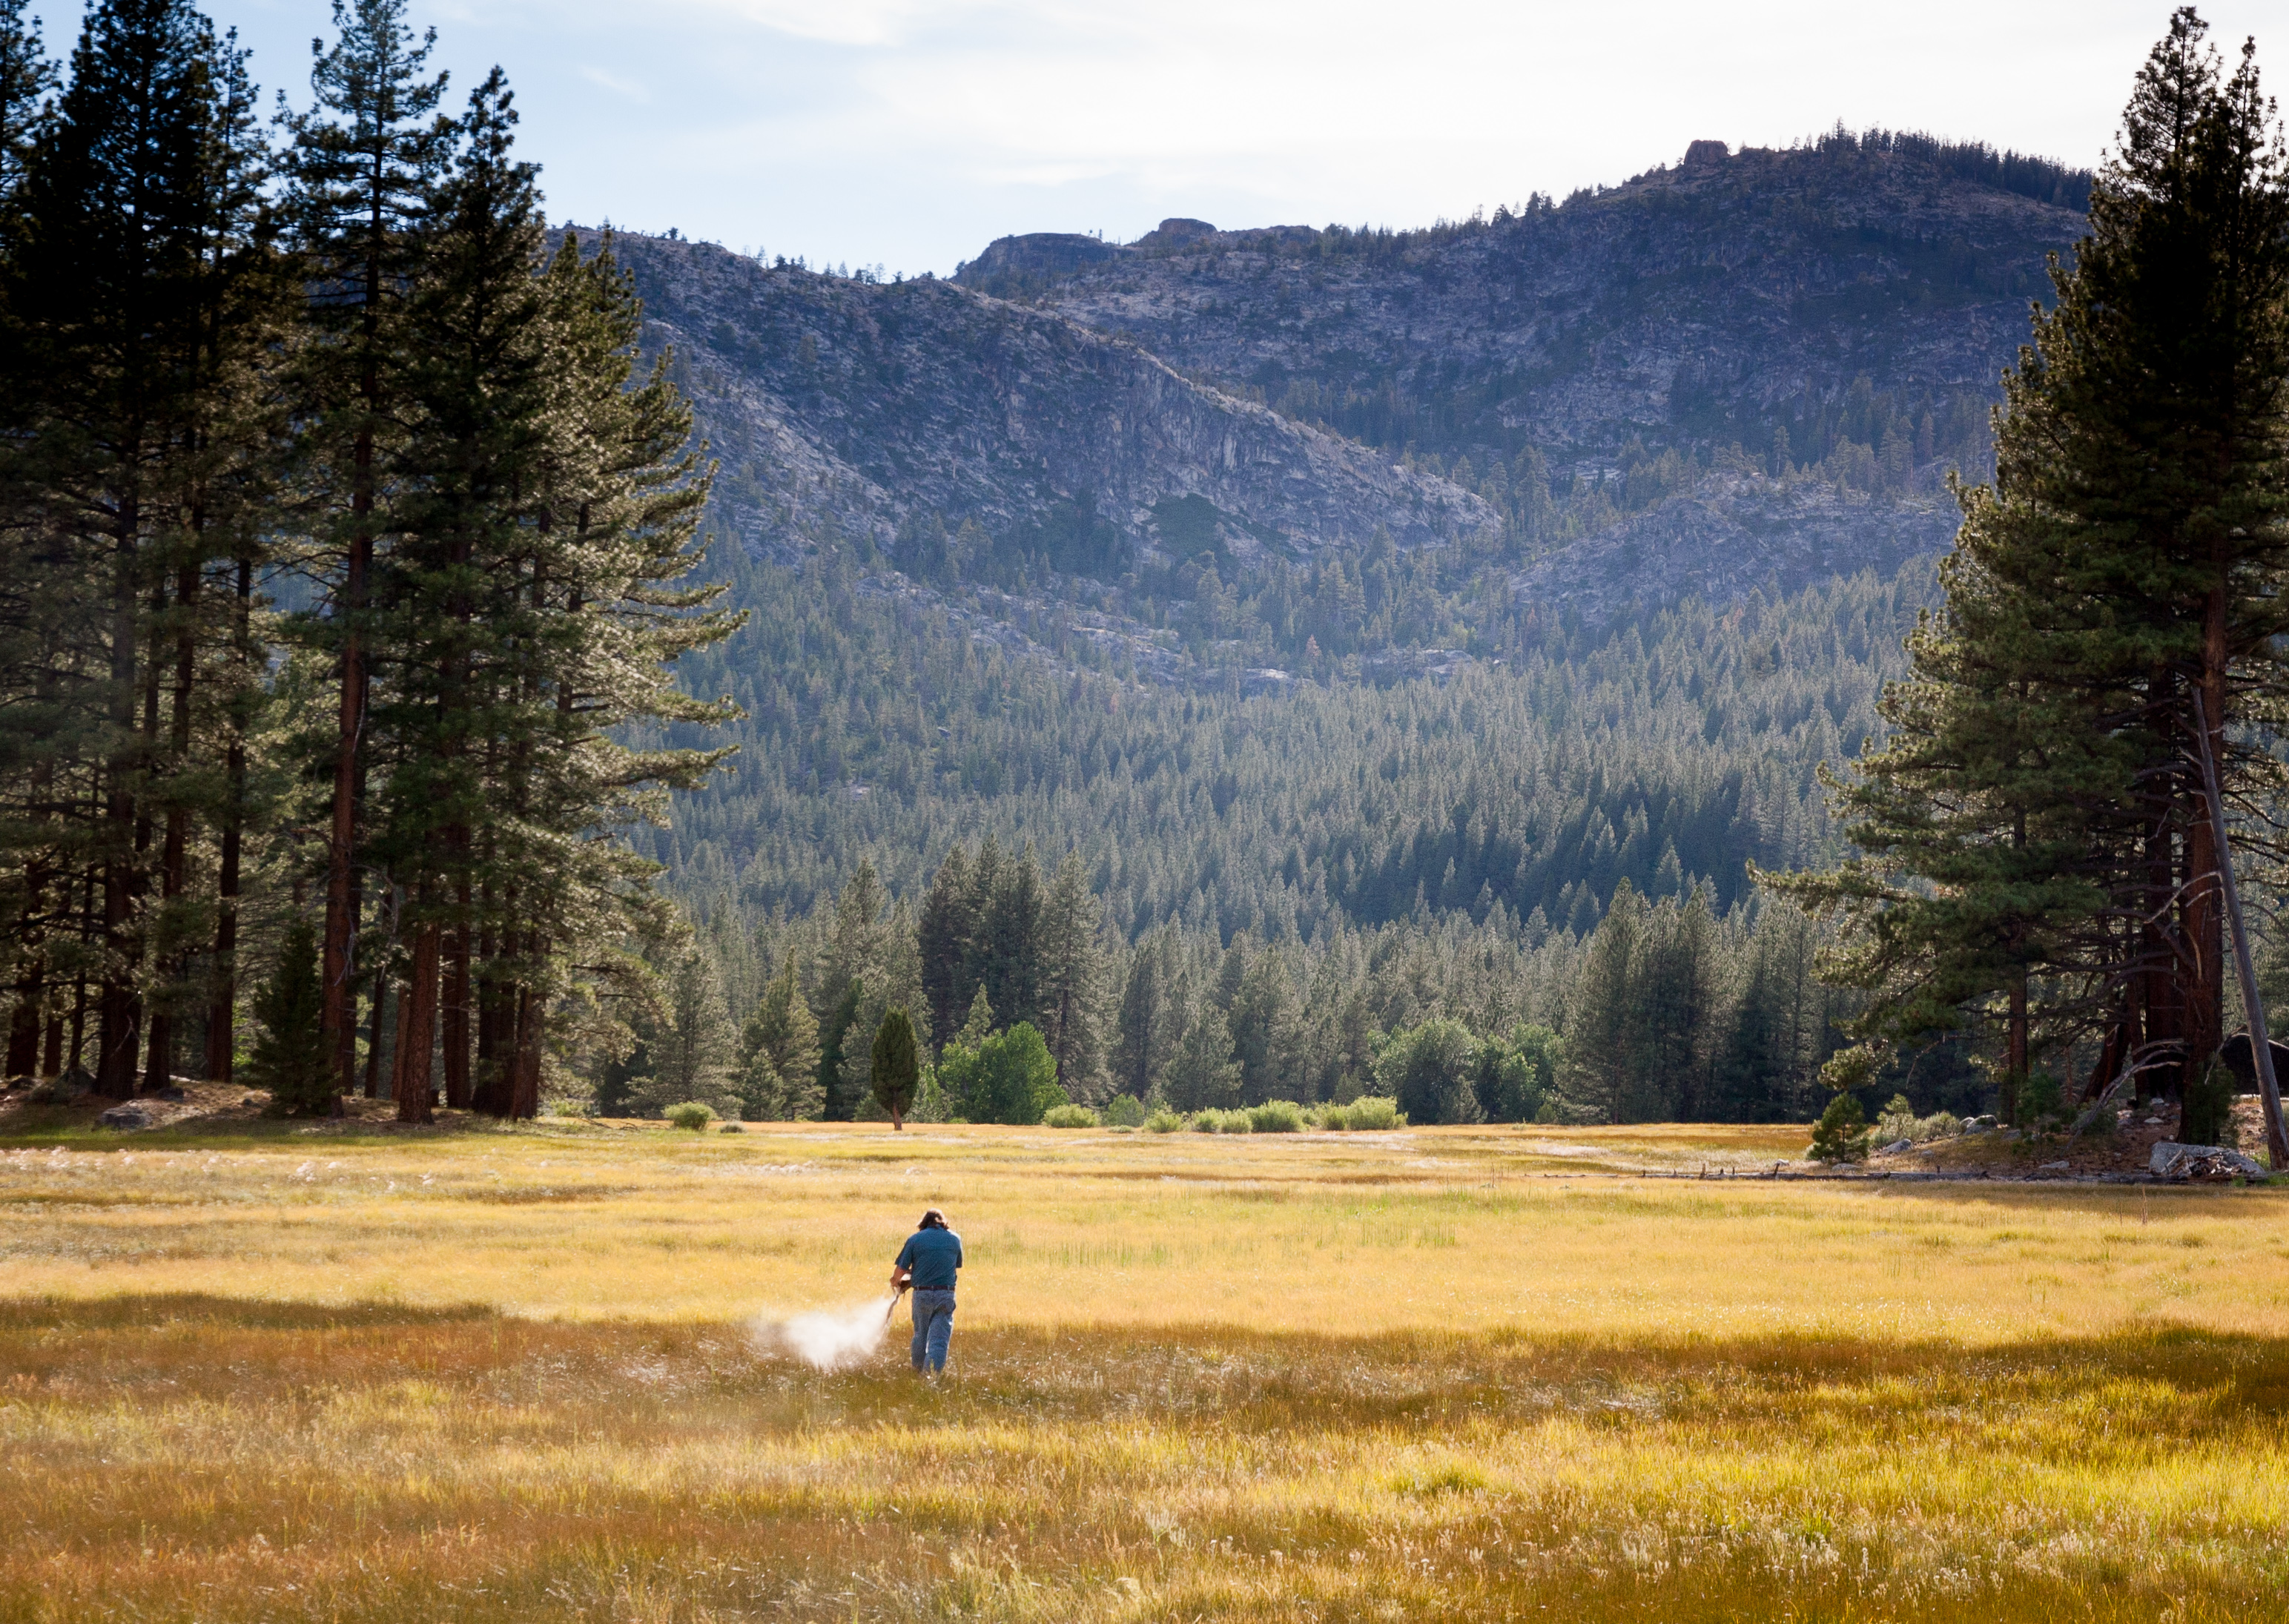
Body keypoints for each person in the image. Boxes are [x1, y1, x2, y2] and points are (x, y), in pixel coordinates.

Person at [891, 1207, 962, 1374]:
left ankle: (917, 1372)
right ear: (943, 1223)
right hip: (946, 1294)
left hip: (922, 1295)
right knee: (939, 1340)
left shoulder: (915, 1239)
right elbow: (955, 1266)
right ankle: (931, 1377)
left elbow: (901, 1270)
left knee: (920, 1336)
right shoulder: (955, 1239)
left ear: (923, 1224)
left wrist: (895, 1282)